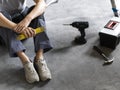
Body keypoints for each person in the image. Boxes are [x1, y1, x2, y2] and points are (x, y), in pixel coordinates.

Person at [0, 0, 52, 83]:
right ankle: (26, 61)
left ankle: (39, 58)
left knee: (37, 11)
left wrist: (27, 20)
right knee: (3, 16)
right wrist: (17, 27)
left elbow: (41, 3)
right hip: (4, 27)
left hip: (21, 19)